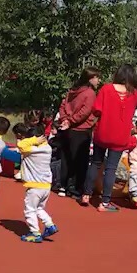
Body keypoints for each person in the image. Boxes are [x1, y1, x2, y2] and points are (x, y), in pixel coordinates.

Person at [81, 64, 137, 212]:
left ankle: (86, 194)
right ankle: (105, 202)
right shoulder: (134, 94)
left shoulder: (106, 89)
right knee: (111, 168)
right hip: (120, 135)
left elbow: (96, 109)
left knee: (95, 163)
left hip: (103, 131)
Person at [57, 67, 101, 198]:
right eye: (97, 77)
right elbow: (85, 111)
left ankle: (63, 185)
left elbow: (63, 106)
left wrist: (65, 120)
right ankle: (75, 188)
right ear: (90, 78)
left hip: (67, 129)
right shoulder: (90, 93)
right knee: (80, 161)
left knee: (66, 158)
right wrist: (70, 121)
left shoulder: (72, 91)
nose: (99, 80)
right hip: (81, 130)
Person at [17, 126, 58, 243]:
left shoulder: (31, 150)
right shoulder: (47, 148)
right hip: (46, 185)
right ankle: (49, 224)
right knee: (39, 208)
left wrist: (33, 140)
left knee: (30, 209)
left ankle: (35, 233)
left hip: (35, 186)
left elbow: (20, 145)